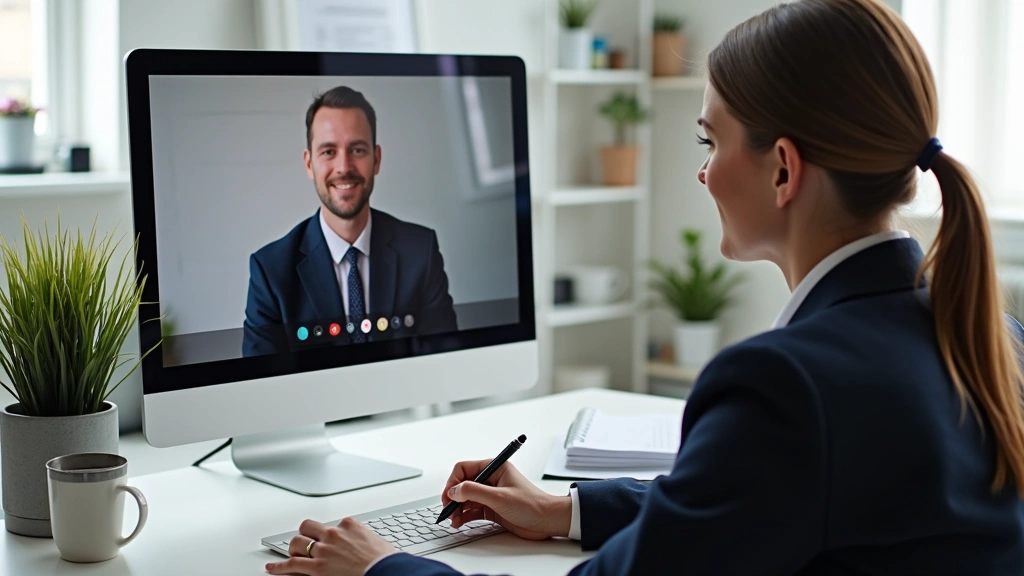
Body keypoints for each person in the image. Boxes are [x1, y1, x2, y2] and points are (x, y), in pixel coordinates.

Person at [265, 1, 1024, 574]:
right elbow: (765, 498)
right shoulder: (993, 341)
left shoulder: (784, 386)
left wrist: (382, 566)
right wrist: (566, 509)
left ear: (784, 169)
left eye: (710, 140)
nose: (701, 171)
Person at [243, 86, 458, 357]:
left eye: (357, 150)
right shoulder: (270, 271)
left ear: (376, 159)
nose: (344, 167)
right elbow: (263, 386)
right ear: (309, 164)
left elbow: (446, 360)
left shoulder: (421, 250)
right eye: (328, 151)